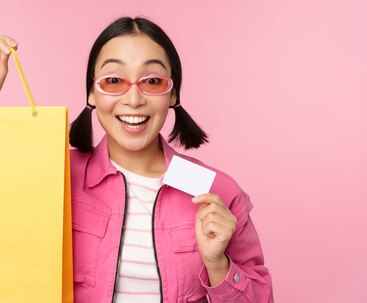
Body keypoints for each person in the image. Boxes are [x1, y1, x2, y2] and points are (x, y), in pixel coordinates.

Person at [0, 17, 272, 302]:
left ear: (173, 93)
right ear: (91, 93)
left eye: (152, 81)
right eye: (114, 80)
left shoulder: (216, 190)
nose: (133, 98)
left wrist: (219, 266)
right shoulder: (52, 174)